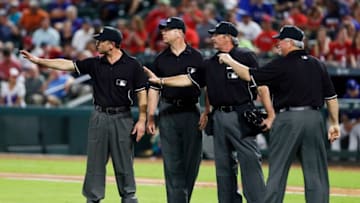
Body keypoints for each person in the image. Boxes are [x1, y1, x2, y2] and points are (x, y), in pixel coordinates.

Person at [145, 21, 275, 203]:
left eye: (216, 35)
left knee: (250, 163)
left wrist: (270, 114)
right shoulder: (210, 63)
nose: (212, 38)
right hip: (219, 115)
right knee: (223, 167)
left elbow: (260, 84)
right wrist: (162, 81)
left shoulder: (245, 56)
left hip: (242, 113)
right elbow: (190, 80)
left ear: (227, 37)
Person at [21, 26, 147, 203]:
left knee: (124, 162)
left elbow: (142, 93)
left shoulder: (133, 65)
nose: (96, 44)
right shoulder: (95, 63)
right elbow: (67, 64)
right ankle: (93, 199)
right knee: (95, 162)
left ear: (111, 44)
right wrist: (40, 61)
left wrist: (142, 119)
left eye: (100, 40)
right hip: (99, 116)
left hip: (122, 117)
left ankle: (129, 197)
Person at [217, 25, 340, 203]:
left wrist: (229, 60)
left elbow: (249, 75)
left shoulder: (281, 63)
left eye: (280, 41)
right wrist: (334, 122)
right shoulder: (317, 64)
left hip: (288, 119)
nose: (278, 45)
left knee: (278, 170)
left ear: (290, 43)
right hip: (314, 119)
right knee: (316, 173)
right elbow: (331, 97)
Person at [146, 17, 207, 203]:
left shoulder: (197, 57)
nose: (163, 32)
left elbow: (206, 86)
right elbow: (154, 89)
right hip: (168, 110)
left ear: (180, 32)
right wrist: (150, 116)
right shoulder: (160, 59)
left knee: (191, 162)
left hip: (191, 110)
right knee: (172, 164)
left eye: (167, 29)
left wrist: (207, 111)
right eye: (163, 29)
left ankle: (182, 199)